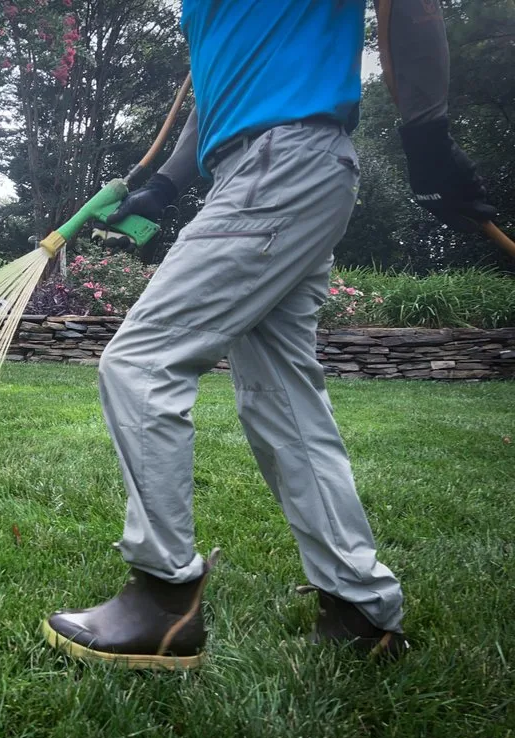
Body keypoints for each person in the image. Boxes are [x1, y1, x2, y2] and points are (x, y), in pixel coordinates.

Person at [42, 0, 497, 669]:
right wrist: (165, 188)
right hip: (264, 167)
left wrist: (427, 134)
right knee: (282, 398)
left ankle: (163, 598)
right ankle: (361, 608)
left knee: (141, 361)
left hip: (281, 162)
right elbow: (221, 94)